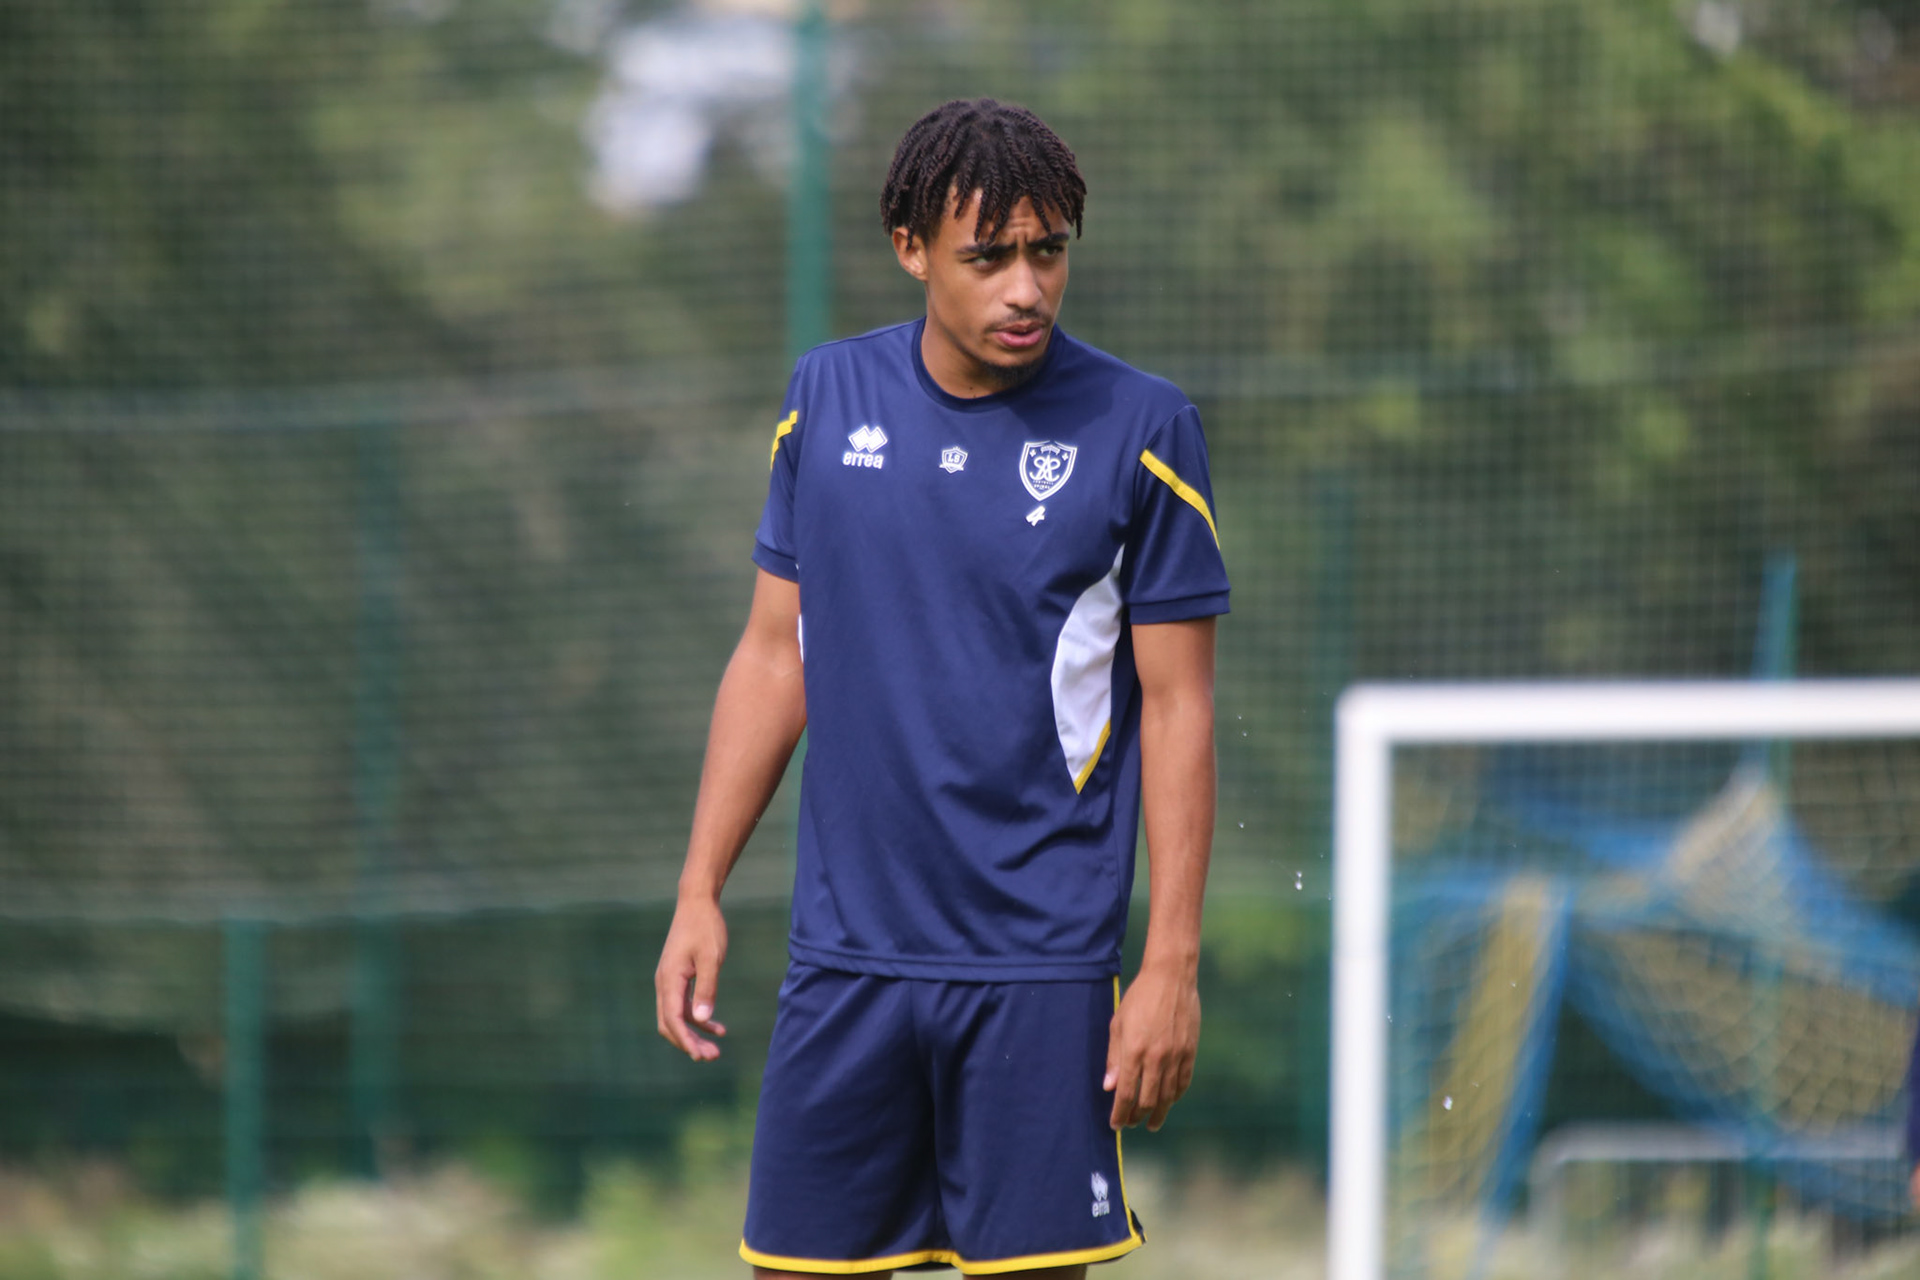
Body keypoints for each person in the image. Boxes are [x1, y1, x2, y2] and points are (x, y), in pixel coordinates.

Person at [653, 97, 1230, 1278]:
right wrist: (698, 887)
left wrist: (1169, 962)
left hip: (1039, 968)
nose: (1027, 287)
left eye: (1048, 251)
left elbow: (1179, 708)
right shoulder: (825, 399)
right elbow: (774, 654)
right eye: (989, 256)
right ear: (911, 248)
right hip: (845, 960)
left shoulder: (1144, 428)